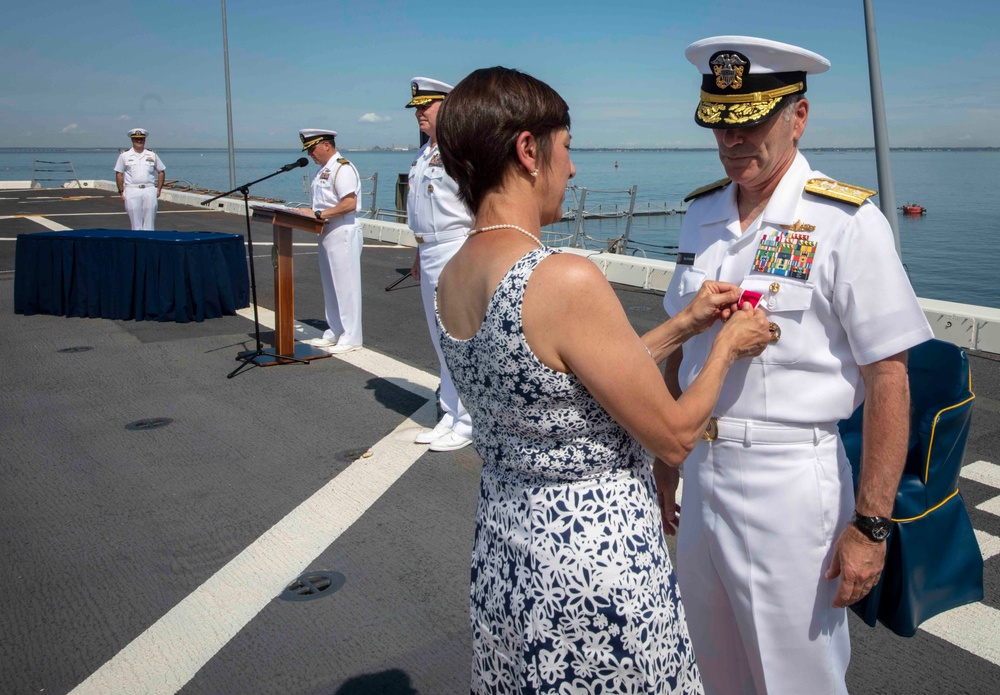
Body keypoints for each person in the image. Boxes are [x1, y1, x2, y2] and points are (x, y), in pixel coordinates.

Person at [434, 66, 772, 694]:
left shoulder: (453, 273)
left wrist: (685, 326)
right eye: (568, 148)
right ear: (528, 150)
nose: (573, 170)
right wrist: (727, 344)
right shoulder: (562, 276)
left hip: (510, 549)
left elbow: (563, 382)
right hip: (591, 560)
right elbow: (672, 436)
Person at [657, 36, 935, 695]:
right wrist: (665, 457)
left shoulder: (844, 221)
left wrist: (871, 524)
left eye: (750, 121)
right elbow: (684, 350)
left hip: (789, 485)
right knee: (712, 670)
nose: (733, 140)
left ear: (798, 117)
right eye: (721, 123)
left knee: (796, 681)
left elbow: (888, 376)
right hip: (702, 477)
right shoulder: (701, 215)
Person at [405, 77, 474, 453]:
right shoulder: (423, 155)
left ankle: (467, 422)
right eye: (417, 107)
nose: (419, 113)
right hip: (429, 251)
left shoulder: (460, 152)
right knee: (440, 340)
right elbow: (421, 212)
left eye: (425, 106)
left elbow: (476, 209)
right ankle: (450, 413)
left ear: (446, 108)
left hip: (454, 251)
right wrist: (416, 251)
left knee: (457, 339)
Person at [298, 128, 363, 354]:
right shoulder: (323, 170)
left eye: (313, 148)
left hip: (342, 229)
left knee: (346, 286)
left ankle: (352, 336)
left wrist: (318, 215)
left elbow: (349, 203)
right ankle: (335, 330)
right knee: (331, 285)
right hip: (326, 230)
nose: (310, 154)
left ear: (327, 145)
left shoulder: (342, 168)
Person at [114, 128, 165, 230]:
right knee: (135, 221)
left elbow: (161, 171)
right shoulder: (125, 155)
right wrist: (121, 191)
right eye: (136, 139)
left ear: (145, 140)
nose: (139, 141)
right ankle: (137, 242)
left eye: (141, 139)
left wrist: (159, 189)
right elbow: (119, 173)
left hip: (149, 189)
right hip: (132, 190)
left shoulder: (152, 154)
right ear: (132, 140)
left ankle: (149, 242)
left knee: (149, 222)